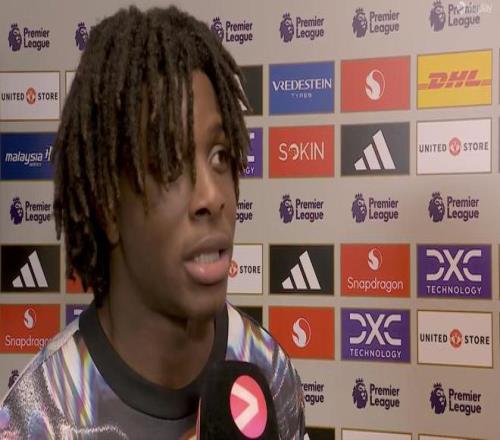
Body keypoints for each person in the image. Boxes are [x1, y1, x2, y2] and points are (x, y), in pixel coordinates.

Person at [0, 6, 305, 439]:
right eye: (169, 165)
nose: (212, 196)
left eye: (219, 155)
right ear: (108, 206)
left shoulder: (268, 373)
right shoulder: (42, 418)